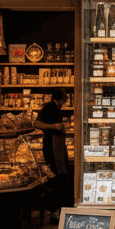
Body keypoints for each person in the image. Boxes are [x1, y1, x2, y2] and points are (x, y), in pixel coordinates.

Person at [34, 88, 71, 221]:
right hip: (52, 147)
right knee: (56, 177)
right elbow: (36, 123)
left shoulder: (56, 107)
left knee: (60, 177)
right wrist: (55, 127)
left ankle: (58, 210)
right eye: (65, 96)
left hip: (58, 147)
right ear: (61, 97)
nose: (67, 98)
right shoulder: (49, 107)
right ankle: (54, 212)